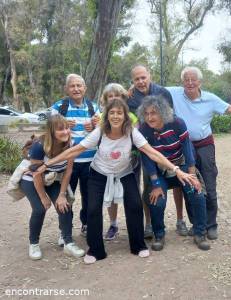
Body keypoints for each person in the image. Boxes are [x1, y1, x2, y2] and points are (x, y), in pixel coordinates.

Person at [37, 99, 198, 264]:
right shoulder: (100, 131)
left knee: (135, 205)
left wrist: (176, 170)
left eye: (119, 113)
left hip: (124, 173)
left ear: (125, 116)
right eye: (112, 113)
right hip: (98, 173)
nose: (115, 116)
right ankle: (95, 250)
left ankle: (138, 245)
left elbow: (152, 153)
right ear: (106, 116)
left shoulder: (131, 132)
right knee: (92, 209)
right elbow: (76, 150)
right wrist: (48, 163)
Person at [167, 66, 231, 240]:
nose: (190, 83)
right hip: (184, 146)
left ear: (199, 82)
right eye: (186, 80)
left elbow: (230, 109)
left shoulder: (210, 99)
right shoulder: (174, 93)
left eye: (193, 79)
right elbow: (150, 89)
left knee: (209, 184)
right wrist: (130, 91)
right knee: (189, 184)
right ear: (182, 82)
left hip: (205, 145)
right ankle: (197, 224)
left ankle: (211, 225)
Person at [137, 95, 210, 251]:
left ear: (162, 112)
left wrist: (192, 175)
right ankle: (159, 235)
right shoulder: (143, 129)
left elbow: (187, 149)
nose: (150, 117)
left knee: (197, 194)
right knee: (156, 199)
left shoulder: (177, 123)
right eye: (147, 113)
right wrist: (155, 184)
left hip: (181, 165)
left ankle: (200, 233)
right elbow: (147, 158)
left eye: (154, 113)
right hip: (159, 170)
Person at [128, 65, 189, 238]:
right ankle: (148, 224)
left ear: (150, 76)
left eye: (143, 77)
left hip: (168, 144)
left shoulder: (163, 92)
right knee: (149, 185)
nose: (140, 81)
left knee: (177, 182)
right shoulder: (131, 98)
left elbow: (170, 117)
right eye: (136, 79)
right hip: (146, 146)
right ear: (132, 81)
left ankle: (180, 220)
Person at [21, 115, 85, 260]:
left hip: (52, 178)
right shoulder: (40, 146)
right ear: (51, 132)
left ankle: (68, 242)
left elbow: (68, 171)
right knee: (40, 208)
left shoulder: (71, 143)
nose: (66, 132)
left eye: (67, 128)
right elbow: (36, 174)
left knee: (64, 205)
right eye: (60, 129)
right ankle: (34, 243)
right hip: (31, 179)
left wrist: (62, 195)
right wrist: (43, 197)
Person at [51, 74, 99, 241]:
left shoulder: (94, 108)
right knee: (66, 197)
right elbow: (50, 132)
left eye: (79, 86)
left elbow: (101, 133)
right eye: (72, 86)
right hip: (67, 163)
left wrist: (94, 127)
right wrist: (61, 123)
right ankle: (65, 231)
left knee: (89, 196)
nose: (76, 89)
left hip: (90, 162)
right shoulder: (59, 108)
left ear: (85, 88)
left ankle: (86, 224)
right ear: (67, 89)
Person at [98, 83, 139, 241]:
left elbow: (136, 139)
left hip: (128, 162)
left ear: (123, 98)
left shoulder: (131, 117)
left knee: (131, 194)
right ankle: (113, 224)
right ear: (105, 99)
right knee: (110, 194)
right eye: (110, 96)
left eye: (118, 96)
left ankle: (133, 225)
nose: (114, 99)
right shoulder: (100, 117)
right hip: (107, 163)